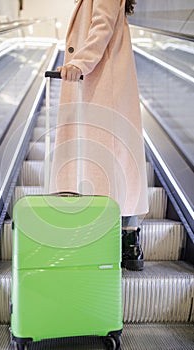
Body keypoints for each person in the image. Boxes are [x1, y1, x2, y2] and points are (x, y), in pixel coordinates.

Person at [49, 0, 149, 271]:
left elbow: (101, 26)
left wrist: (79, 62)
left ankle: (117, 240)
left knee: (105, 164)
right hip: (101, 85)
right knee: (114, 165)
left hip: (102, 86)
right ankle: (129, 241)